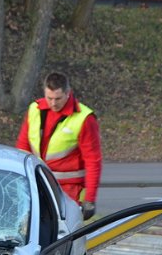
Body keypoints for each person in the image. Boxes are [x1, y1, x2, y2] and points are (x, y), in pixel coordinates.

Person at [16, 72, 102, 220]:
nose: (53, 103)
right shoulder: (34, 110)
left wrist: (90, 199)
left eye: (58, 98)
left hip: (69, 192)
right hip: (37, 185)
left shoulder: (84, 119)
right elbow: (23, 147)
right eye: (49, 98)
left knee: (64, 235)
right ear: (44, 92)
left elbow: (93, 161)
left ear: (68, 93)